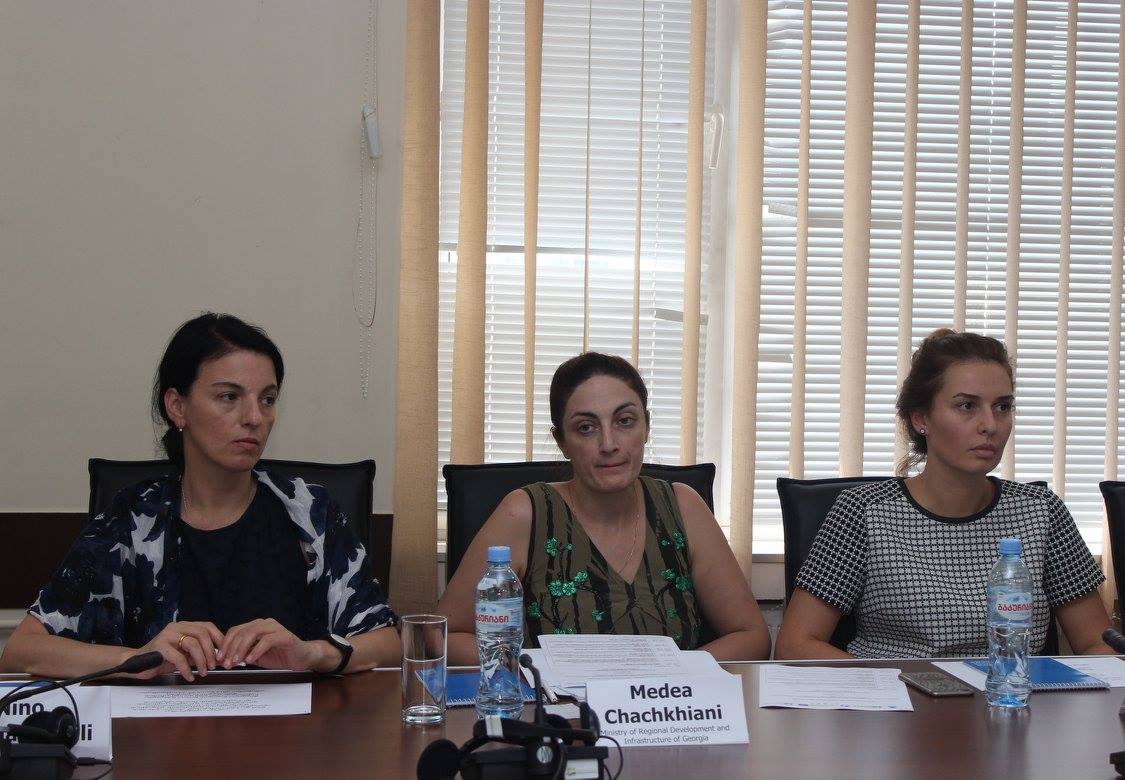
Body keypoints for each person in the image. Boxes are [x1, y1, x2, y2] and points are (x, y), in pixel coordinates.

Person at [0, 313, 399, 679]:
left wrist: (312, 653)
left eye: (267, 399)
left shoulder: (309, 511)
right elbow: (21, 651)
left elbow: (388, 643)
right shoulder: (133, 519)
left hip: (297, 730)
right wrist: (137, 659)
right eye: (229, 397)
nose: (254, 418)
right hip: (160, 731)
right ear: (177, 407)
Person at [775, 329, 1112, 659]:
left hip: (1011, 690)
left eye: (1002, 407)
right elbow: (795, 645)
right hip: (897, 690)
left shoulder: (1041, 511)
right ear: (921, 418)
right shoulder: (864, 511)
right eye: (967, 406)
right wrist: (898, 684)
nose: (990, 425)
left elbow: (1098, 645)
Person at [438, 352, 771, 664]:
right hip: (559, 704)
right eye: (586, 427)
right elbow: (444, 636)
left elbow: (751, 636)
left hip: (668, 701)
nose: (609, 444)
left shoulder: (682, 507)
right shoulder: (525, 513)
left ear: (646, 427)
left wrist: (673, 672)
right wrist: (538, 670)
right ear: (562, 442)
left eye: (625, 421)